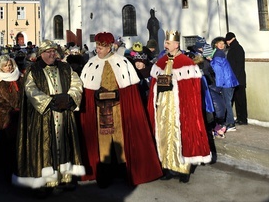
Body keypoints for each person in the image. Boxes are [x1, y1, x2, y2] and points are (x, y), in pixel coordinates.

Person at [79, 31, 162, 187]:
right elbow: (87, 91)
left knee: (120, 139)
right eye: (97, 47)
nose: (98, 50)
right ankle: (104, 173)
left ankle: (123, 171)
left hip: (119, 110)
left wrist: (119, 94)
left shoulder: (122, 62)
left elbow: (130, 93)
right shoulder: (91, 64)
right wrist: (94, 96)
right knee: (103, 141)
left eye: (101, 47)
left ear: (110, 47)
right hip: (99, 112)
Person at [12, 40, 85, 191]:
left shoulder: (65, 68)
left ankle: (65, 177)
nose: (52, 54)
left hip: (64, 114)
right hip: (43, 116)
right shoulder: (34, 70)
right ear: (41, 54)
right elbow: (30, 89)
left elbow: (76, 83)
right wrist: (48, 102)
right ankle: (44, 181)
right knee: (45, 147)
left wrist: (70, 98)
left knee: (64, 144)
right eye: (48, 52)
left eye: (54, 51)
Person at [148, 30, 211, 183]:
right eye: (165, 42)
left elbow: (192, 90)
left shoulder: (186, 62)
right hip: (163, 107)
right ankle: (168, 167)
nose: (165, 45)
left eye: (168, 43)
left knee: (181, 135)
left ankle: (183, 169)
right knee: (165, 135)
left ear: (176, 44)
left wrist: (174, 85)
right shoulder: (161, 62)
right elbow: (154, 85)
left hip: (179, 107)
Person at [0, 54, 23, 181]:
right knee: (7, 146)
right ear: (1, 67)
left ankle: (18, 170)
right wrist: (12, 108)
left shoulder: (20, 78)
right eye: (6, 66)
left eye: (10, 65)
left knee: (18, 146)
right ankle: (7, 173)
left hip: (19, 116)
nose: (9, 67)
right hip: (6, 118)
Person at [209, 37, 239, 132]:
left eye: (223, 43)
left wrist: (218, 86)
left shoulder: (218, 54)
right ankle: (229, 122)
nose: (222, 45)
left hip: (226, 82)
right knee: (227, 102)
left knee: (227, 103)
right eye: (219, 43)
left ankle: (230, 124)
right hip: (229, 81)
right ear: (215, 45)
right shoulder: (220, 53)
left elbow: (219, 72)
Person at [225, 32, 248, 125]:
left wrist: (235, 78)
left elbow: (238, 65)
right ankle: (240, 118)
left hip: (237, 79)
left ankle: (242, 118)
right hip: (238, 78)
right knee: (239, 100)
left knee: (240, 100)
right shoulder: (236, 48)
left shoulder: (236, 49)